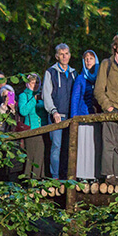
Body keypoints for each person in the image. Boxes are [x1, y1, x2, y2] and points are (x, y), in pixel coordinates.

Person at [94, 33, 118, 184]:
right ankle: (108, 175)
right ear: (115, 45)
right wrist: (108, 107)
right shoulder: (106, 64)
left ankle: (117, 175)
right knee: (108, 144)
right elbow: (98, 89)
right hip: (110, 109)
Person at [42, 43, 76, 179]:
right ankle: (55, 178)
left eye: (66, 53)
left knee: (70, 147)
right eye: (61, 54)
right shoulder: (51, 72)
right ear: (57, 56)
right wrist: (53, 111)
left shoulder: (74, 73)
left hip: (71, 116)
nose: (64, 56)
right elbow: (46, 94)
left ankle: (68, 176)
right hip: (57, 115)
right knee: (56, 146)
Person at [70, 50, 102, 180]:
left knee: (95, 146)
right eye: (86, 59)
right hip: (83, 117)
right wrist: (74, 118)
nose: (88, 61)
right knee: (83, 146)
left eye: (91, 58)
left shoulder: (100, 77)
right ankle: (82, 175)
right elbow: (75, 98)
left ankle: (95, 175)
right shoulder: (80, 78)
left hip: (97, 117)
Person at [18, 73, 48, 179]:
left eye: (36, 83)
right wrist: (33, 99)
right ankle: (29, 179)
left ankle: (40, 178)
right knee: (31, 156)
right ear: (27, 83)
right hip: (30, 129)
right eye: (32, 83)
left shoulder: (42, 95)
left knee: (41, 156)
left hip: (43, 129)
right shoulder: (23, 95)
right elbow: (23, 111)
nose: (34, 85)